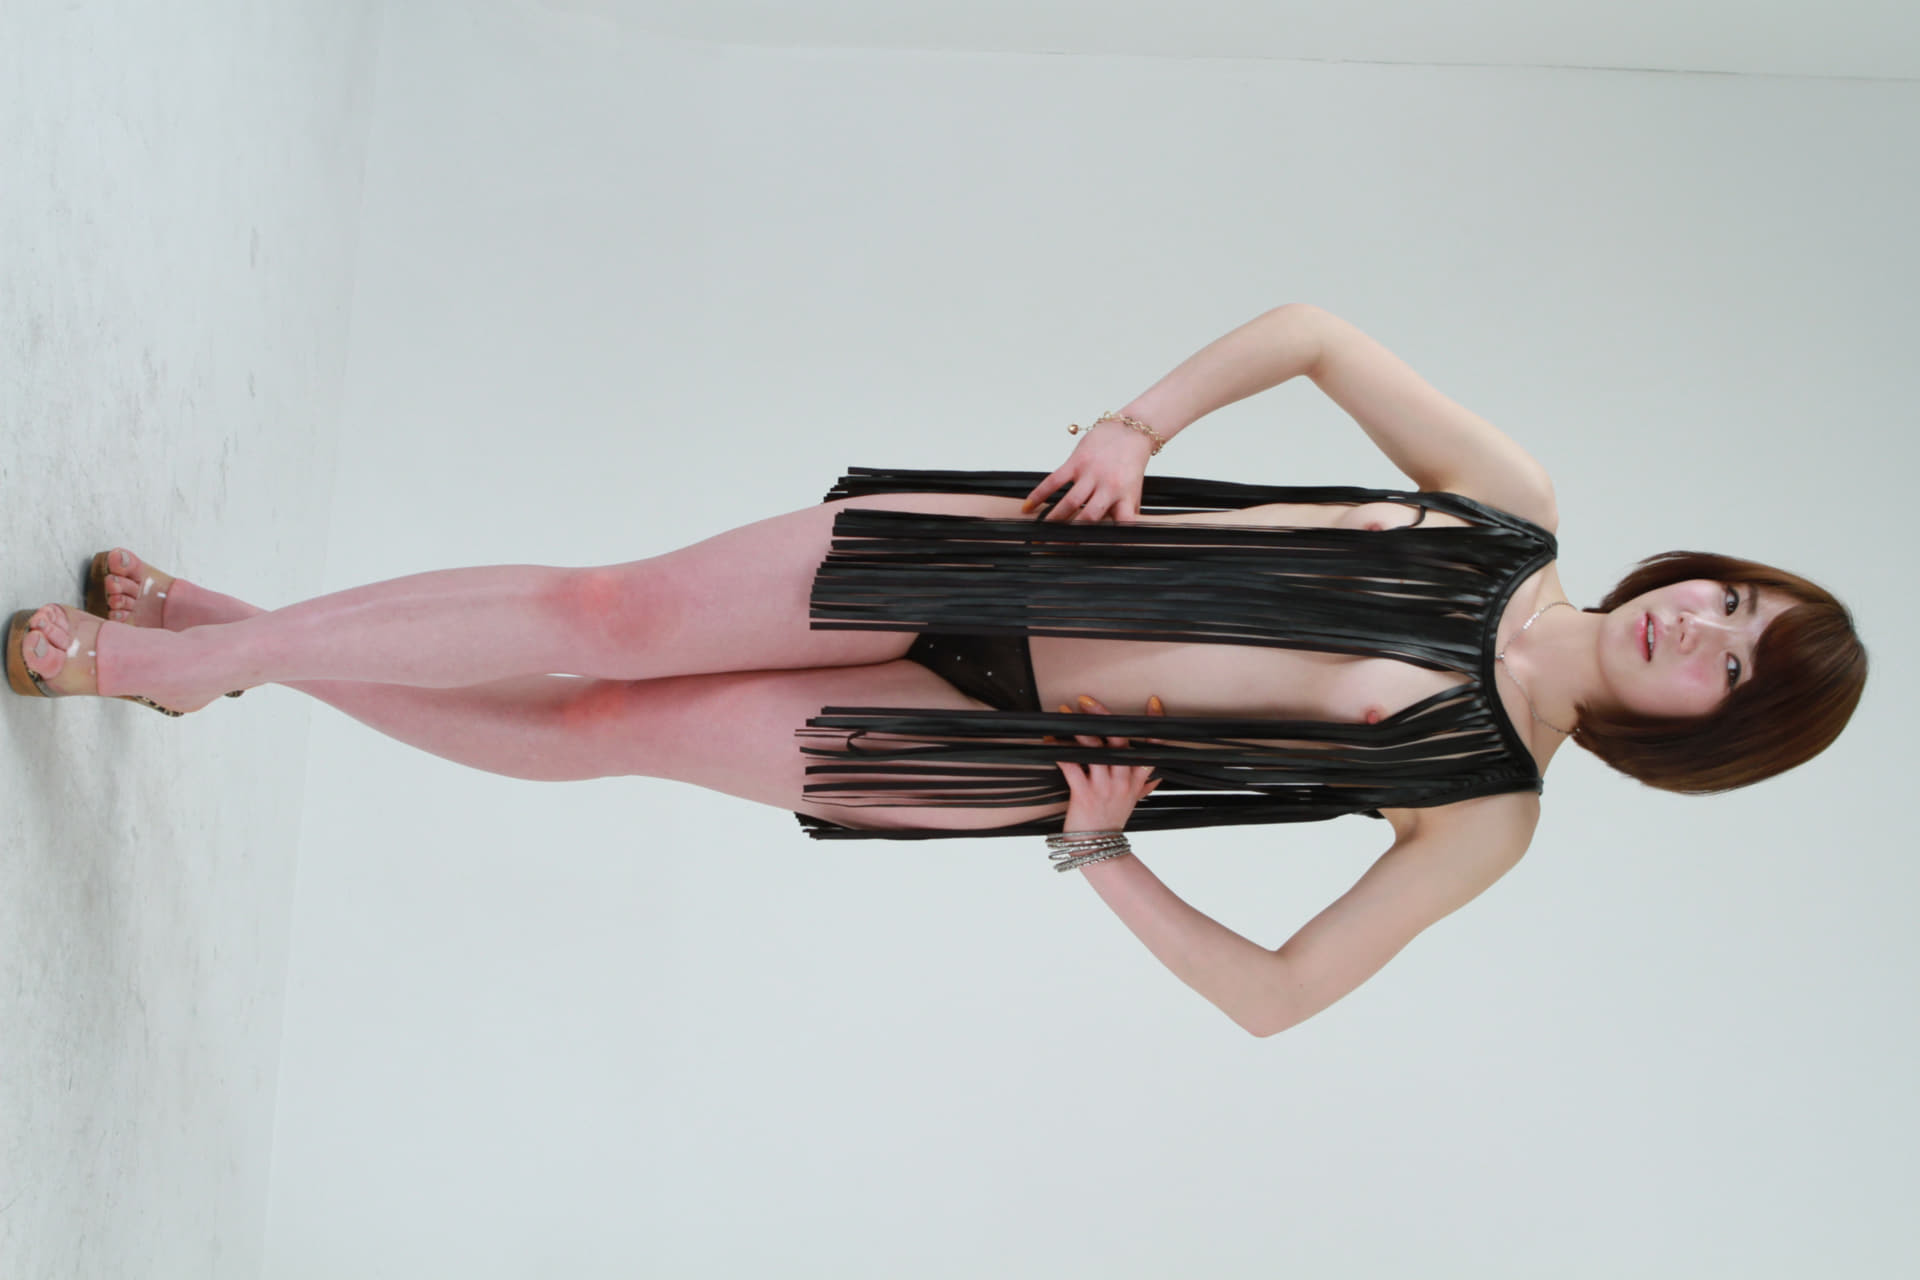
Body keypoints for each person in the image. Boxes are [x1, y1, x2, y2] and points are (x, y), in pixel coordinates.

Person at [6, 303, 1866, 1036]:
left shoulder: (1489, 810)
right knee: (602, 613)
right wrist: (1137, 425)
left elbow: (1282, 997)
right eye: (1730, 601)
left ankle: (220, 659)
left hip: (991, 751)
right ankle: (207, 652)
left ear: (1711, 736)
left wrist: (1105, 853)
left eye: (1730, 668)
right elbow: (1312, 331)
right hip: (1006, 547)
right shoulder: (1515, 511)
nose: (1697, 627)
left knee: (602, 726)